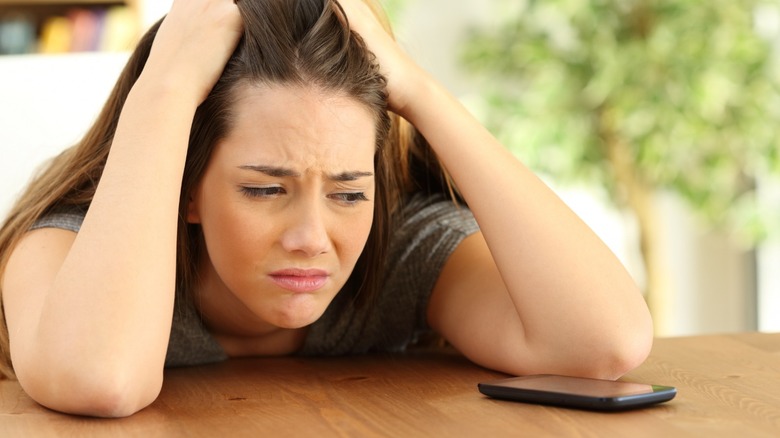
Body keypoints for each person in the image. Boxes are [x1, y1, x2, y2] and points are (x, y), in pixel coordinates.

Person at [0, 0, 653, 417]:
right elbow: (101, 381)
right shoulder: (67, 248)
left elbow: (605, 344)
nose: (312, 238)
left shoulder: (402, 251)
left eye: (348, 193)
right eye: (265, 190)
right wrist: (165, 89)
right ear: (186, 186)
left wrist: (420, 92)